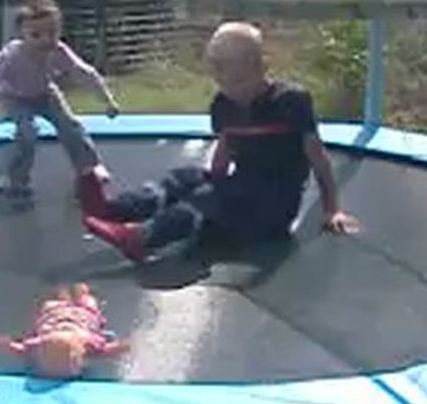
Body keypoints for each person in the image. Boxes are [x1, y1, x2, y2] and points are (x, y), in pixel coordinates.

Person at [76, 21, 360, 262]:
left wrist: (330, 208)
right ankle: (116, 209)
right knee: (184, 177)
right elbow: (226, 144)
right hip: (243, 187)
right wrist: (211, 177)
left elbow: (317, 157)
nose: (231, 90)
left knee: (207, 199)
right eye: (223, 82)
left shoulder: (290, 101)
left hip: (276, 204)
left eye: (239, 81)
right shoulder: (223, 105)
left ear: (262, 68)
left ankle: (141, 239)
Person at [0, 0, 120, 197]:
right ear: (22, 34)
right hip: (15, 98)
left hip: (46, 94)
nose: (45, 40)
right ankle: (15, 179)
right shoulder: (11, 56)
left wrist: (108, 101)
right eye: (36, 35)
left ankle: (89, 169)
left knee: (71, 126)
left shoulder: (59, 51)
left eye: (52, 33)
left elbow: (86, 74)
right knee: (27, 132)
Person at [0, 283, 128, 378]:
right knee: (89, 302)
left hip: (55, 315)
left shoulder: (35, 347)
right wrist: (126, 345)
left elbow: (20, 349)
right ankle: (82, 292)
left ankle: (64, 295)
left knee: (52, 304)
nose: (65, 327)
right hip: (83, 315)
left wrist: (8, 344)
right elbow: (112, 349)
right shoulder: (90, 348)